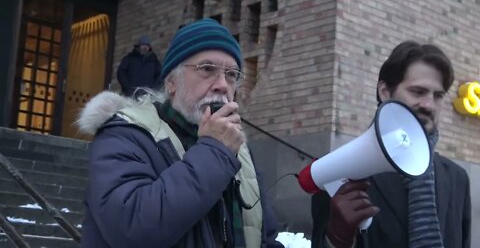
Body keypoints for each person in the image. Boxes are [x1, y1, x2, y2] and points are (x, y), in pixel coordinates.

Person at [77, 18, 282, 248]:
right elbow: (132, 228)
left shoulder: (238, 149)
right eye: (207, 69)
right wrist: (214, 152)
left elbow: (264, 236)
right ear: (172, 82)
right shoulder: (125, 135)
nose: (223, 85)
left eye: (232, 74)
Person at [311, 41, 471, 248]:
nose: (429, 105)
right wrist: (336, 241)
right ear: (385, 92)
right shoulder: (339, 171)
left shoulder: (457, 178)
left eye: (438, 96)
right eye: (418, 92)